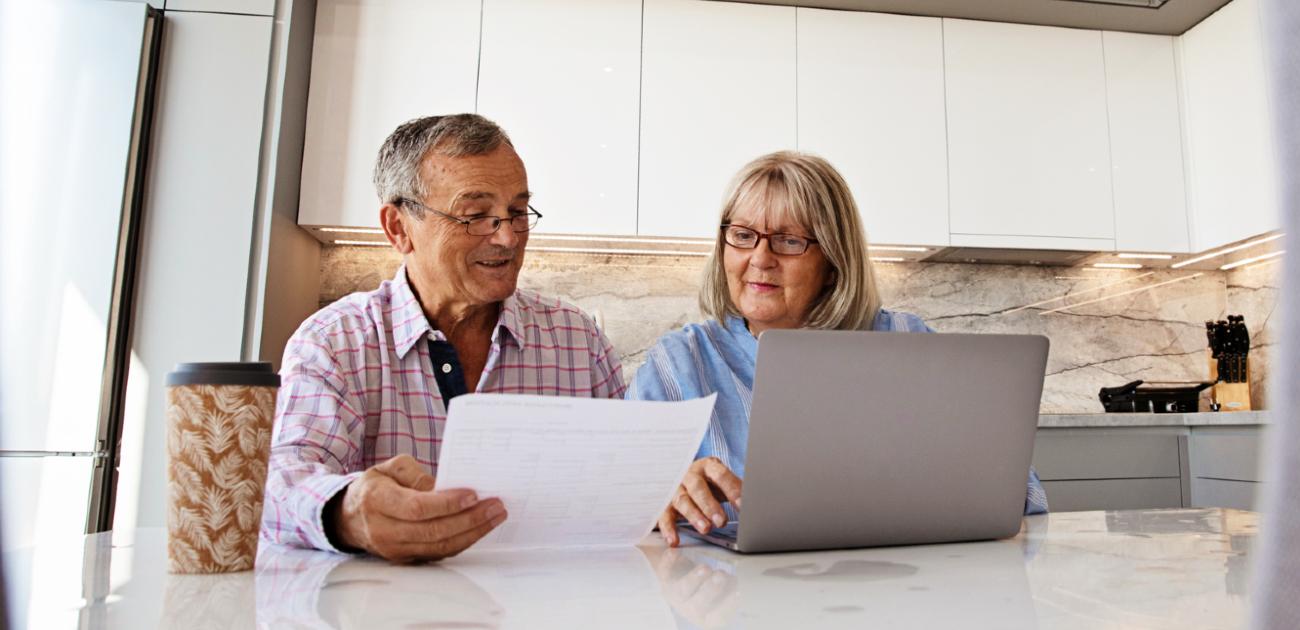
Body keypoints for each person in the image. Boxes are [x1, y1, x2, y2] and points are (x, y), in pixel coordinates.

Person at [629, 151, 1048, 546]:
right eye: (742, 235)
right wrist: (658, 492)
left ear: (833, 261)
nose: (760, 258)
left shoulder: (906, 341)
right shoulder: (678, 363)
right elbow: (613, 507)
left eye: (789, 241)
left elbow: (1018, 495)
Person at [262, 114, 626, 561]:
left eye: (516, 212)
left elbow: (628, 475)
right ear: (399, 228)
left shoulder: (577, 340)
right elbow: (281, 481)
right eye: (476, 216)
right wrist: (345, 510)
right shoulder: (336, 342)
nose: (508, 237)